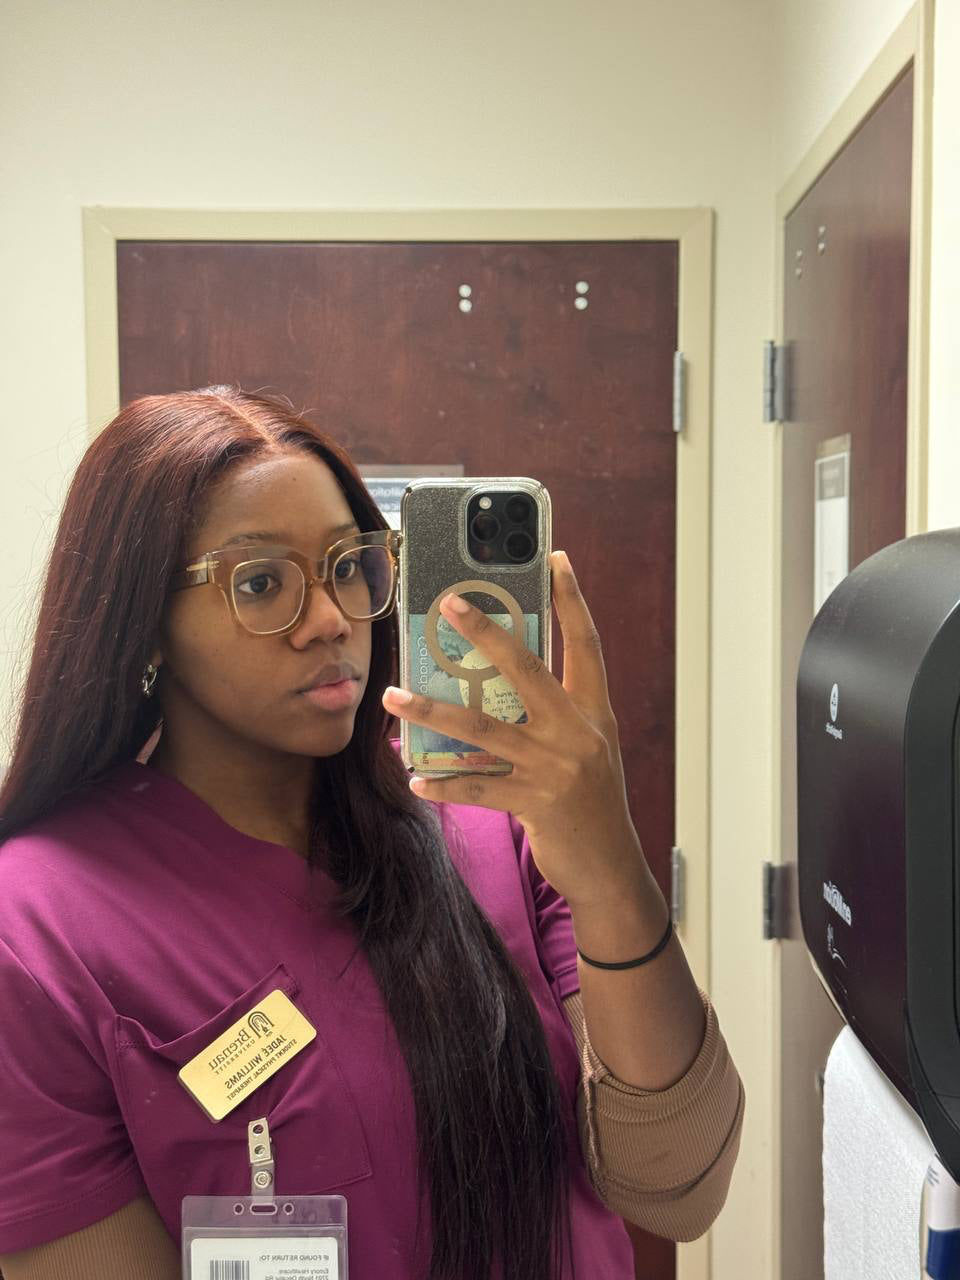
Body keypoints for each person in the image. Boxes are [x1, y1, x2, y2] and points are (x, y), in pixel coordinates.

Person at [0, 387, 744, 1280]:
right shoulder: (37, 930)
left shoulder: (496, 816)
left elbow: (676, 1191)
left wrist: (612, 872)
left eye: (350, 565)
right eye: (262, 582)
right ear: (143, 622)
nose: (332, 618)